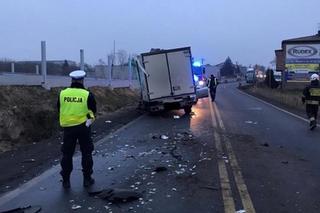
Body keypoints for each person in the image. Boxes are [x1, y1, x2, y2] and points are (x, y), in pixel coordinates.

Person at [57, 70, 97, 188]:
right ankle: (87, 179)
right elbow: (93, 110)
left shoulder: (62, 93)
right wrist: (88, 119)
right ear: (82, 80)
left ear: (72, 80)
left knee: (67, 154)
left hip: (68, 128)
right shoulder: (87, 94)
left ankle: (66, 181)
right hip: (83, 127)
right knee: (86, 153)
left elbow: (59, 108)